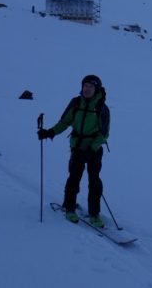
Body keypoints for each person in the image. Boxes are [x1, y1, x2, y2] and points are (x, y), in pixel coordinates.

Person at [37, 74, 110, 228]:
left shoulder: (102, 108)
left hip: (94, 150)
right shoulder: (76, 103)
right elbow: (65, 122)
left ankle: (94, 214)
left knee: (94, 181)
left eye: (90, 87)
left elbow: (104, 134)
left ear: (96, 89)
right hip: (77, 147)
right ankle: (69, 208)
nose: (87, 89)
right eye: (85, 86)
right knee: (74, 178)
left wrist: (91, 149)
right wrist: (50, 132)